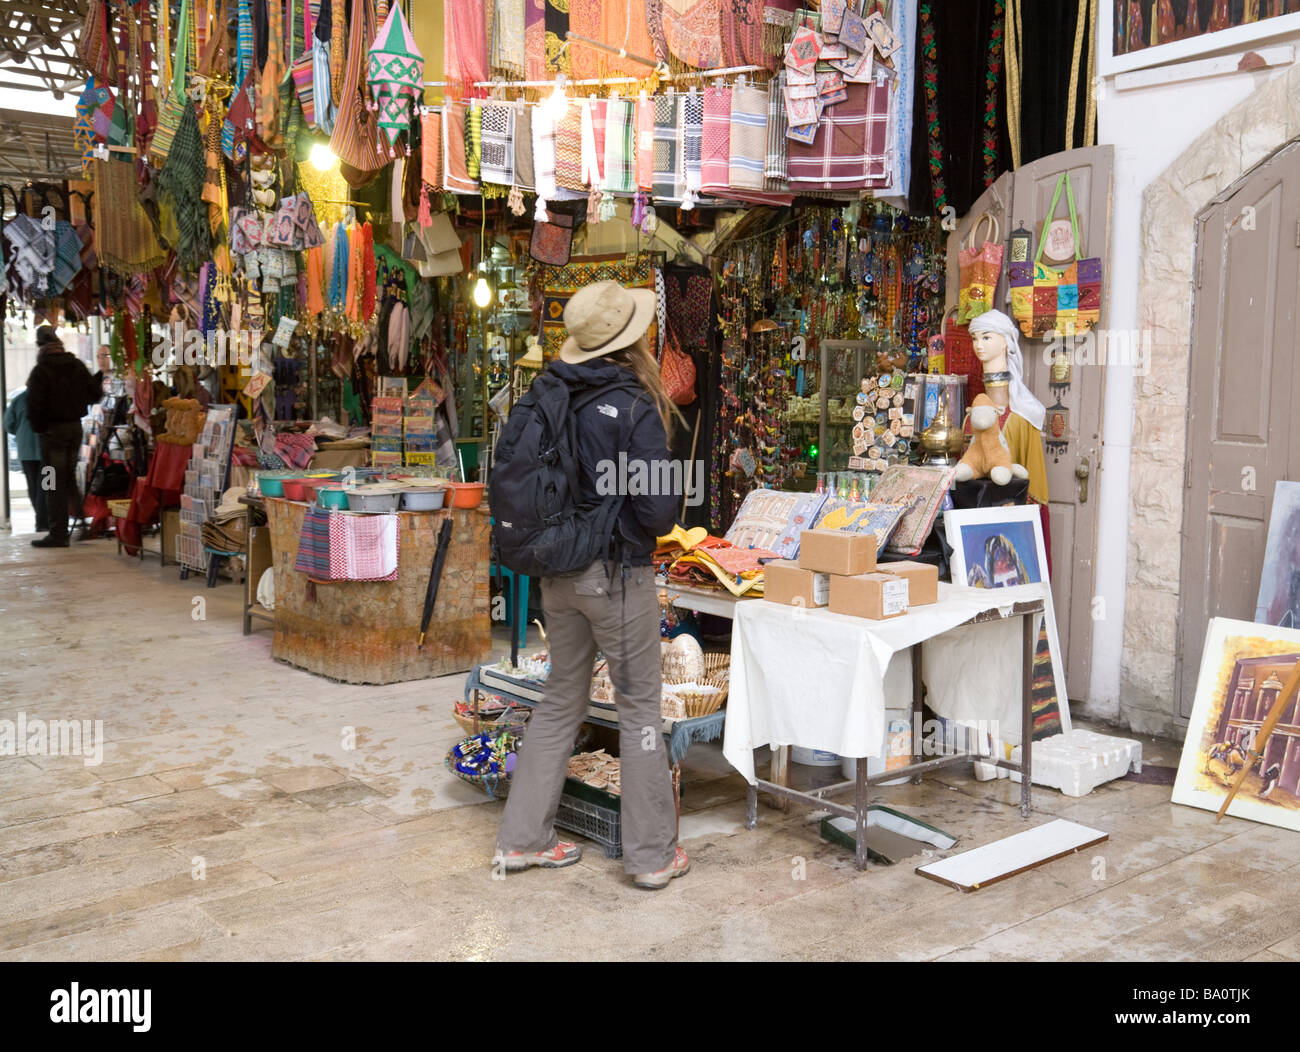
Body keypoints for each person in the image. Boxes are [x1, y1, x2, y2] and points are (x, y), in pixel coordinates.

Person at [494, 280, 690, 889]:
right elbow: (659, 516)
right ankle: (653, 855)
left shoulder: (545, 393)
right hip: (615, 578)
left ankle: (523, 841)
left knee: (560, 700)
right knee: (637, 711)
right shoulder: (632, 407)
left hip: (559, 577)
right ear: (629, 343)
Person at [24, 326, 104, 547]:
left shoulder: (41, 370)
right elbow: (95, 394)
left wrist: (40, 428)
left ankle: (58, 533)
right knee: (68, 477)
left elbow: (35, 405)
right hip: (74, 430)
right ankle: (83, 525)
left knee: (50, 481)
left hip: (51, 434)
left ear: (41, 345)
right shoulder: (76, 365)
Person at [3, 388, 49, 533]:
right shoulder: (51, 398)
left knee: (33, 486)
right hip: (49, 450)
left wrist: (21, 432)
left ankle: (41, 519)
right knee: (48, 485)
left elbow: (7, 423)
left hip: (26, 450)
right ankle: (45, 521)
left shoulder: (18, 400)